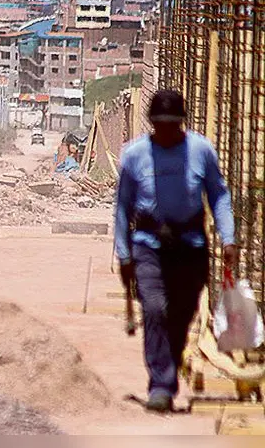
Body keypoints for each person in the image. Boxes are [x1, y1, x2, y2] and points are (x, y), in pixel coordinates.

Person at [114, 88, 237, 413]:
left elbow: (219, 196)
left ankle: (168, 365)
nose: (167, 131)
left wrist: (229, 238)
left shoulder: (201, 151)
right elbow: (123, 208)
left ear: (181, 122)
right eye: (160, 124)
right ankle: (161, 385)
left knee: (182, 314)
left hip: (190, 244)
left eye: (173, 124)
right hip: (149, 245)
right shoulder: (134, 155)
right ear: (152, 123)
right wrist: (123, 254)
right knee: (154, 309)